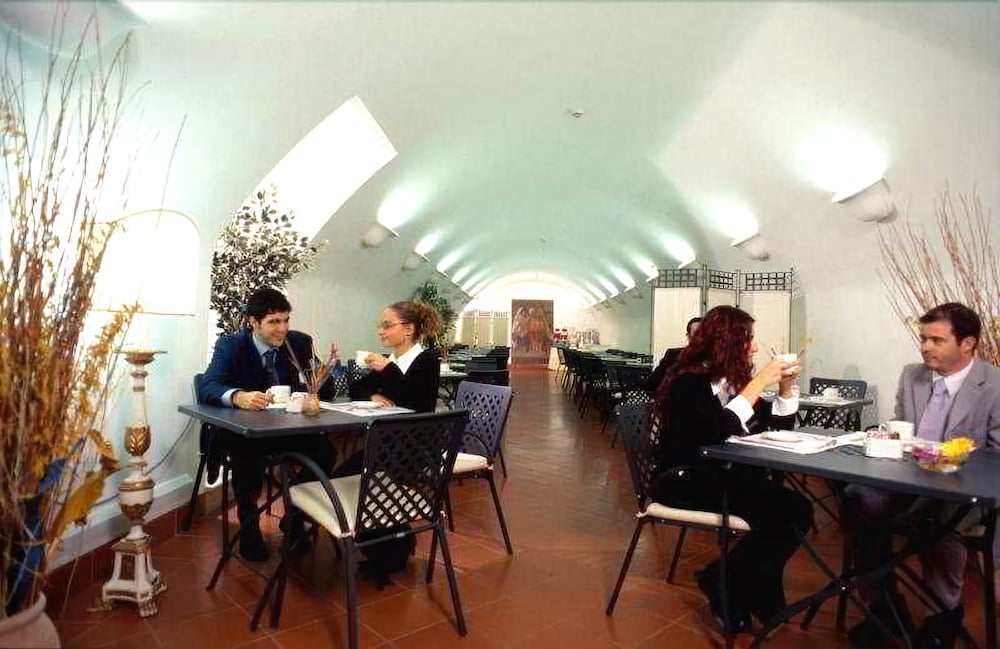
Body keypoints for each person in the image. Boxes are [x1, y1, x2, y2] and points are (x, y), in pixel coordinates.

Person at [845, 303, 1000, 649]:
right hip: (908, 481)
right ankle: (882, 607)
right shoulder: (911, 376)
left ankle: (941, 618)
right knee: (857, 496)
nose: (926, 347)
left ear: (967, 343)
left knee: (941, 515)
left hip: (964, 488)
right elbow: (901, 432)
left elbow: (997, 458)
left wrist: (952, 457)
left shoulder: (994, 384)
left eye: (937, 340)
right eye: (923, 338)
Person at [653, 305, 812, 634]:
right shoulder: (688, 382)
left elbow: (777, 427)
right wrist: (760, 381)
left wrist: (785, 386)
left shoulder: (732, 384)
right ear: (727, 342)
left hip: (721, 478)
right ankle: (748, 589)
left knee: (795, 509)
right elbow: (716, 428)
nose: (755, 347)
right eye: (748, 340)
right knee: (788, 511)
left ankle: (725, 580)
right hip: (684, 481)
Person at [199, 288, 338, 561]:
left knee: (326, 452)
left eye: (286, 320)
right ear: (254, 322)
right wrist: (238, 396)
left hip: (287, 429)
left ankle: (295, 516)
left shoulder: (298, 343)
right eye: (274, 322)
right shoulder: (231, 345)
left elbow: (326, 384)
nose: (282, 329)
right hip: (246, 434)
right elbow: (208, 386)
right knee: (247, 455)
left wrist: (313, 391)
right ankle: (249, 525)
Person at [349, 300, 442, 412]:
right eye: (381, 326)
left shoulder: (427, 359)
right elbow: (355, 388)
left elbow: (417, 402)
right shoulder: (392, 360)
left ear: (408, 329)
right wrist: (373, 396)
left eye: (387, 326)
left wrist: (388, 368)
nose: (380, 332)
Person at [644, 316, 702, 393]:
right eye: (696, 333)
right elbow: (653, 382)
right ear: (688, 336)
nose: (700, 338)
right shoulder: (673, 356)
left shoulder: (714, 359)